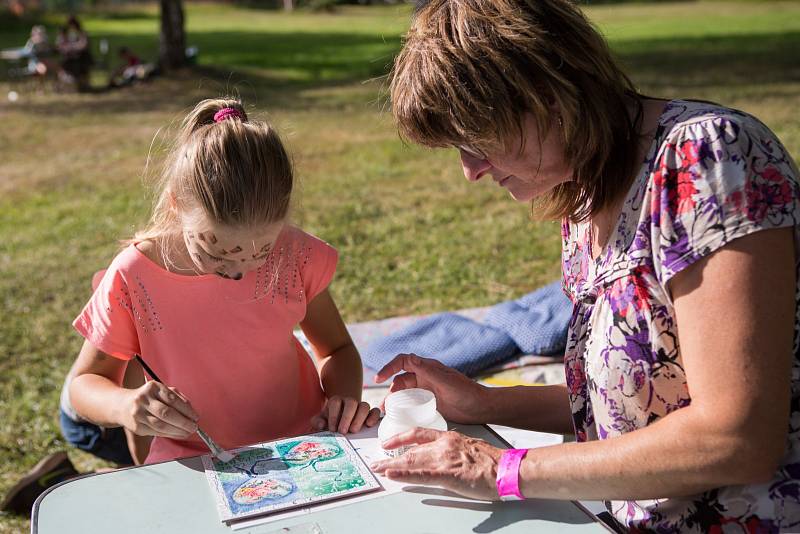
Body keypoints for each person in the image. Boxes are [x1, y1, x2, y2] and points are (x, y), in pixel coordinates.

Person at [369, 0, 800, 531]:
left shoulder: (706, 158)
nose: (470, 170)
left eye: (474, 139)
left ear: (547, 95)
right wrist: (483, 402)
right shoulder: (586, 194)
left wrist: (499, 469)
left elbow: (737, 437)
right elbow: (631, 404)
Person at [64, 97, 381, 467]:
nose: (237, 272)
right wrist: (124, 405)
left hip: (304, 444)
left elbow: (337, 349)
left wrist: (343, 398)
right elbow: (84, 385)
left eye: (260, 252)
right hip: (199, 462)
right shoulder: (133, 277)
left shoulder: (295, 254)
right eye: (218, 254)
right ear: (175, 207)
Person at [56, 15, 92, 91]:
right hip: (69, 57)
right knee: (64, 63)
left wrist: (72, 46)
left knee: (79, 63)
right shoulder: (65, 33)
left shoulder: (82, 33)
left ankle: (81, 84)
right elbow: (60, 45)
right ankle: (66, 83)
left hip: (82, 57)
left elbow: (84, 45)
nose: (71, 27)